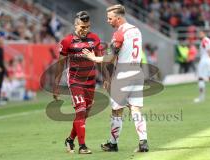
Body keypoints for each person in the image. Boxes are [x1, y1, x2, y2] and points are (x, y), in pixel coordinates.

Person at [83, 4, 149, 152]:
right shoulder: (136, 30)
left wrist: (94, 58)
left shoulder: (119, 34)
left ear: (118, 19)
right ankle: (143, 142)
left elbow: (110, 57)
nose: (108, 20)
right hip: (136, 73)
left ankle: (113, 144)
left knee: (117, 111)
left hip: (123, 75)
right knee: (136, 109)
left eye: (110, 18)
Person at [53, 11, 103, 154]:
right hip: (75, 81)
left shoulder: (95, 39)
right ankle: (82, 146)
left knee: (84, 113)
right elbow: (60, 64)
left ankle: (70, 139)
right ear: (75, 25)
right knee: (80, 110)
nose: (85, 29)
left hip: (91, 80)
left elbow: (100, 60)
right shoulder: (67, 41)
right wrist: (56, 86)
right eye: (82, 27)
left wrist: (106, 78)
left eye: (87, 26)